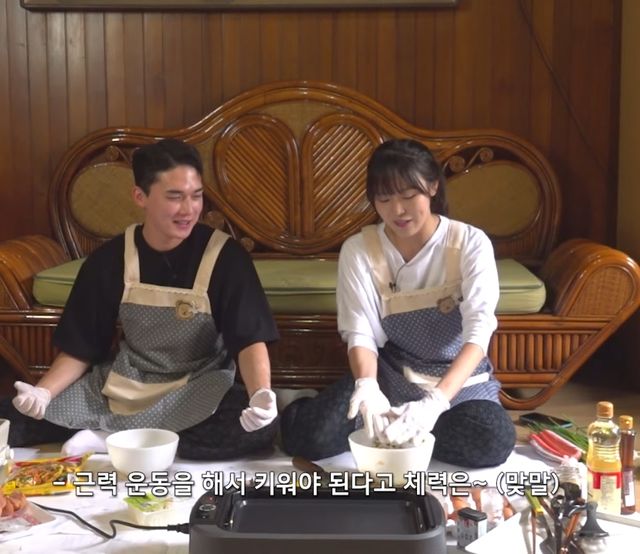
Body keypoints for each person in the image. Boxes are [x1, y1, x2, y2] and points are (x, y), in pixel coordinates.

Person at [4, 138, 279, 459]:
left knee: (259, 430)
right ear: (141, 196)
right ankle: (139, 437)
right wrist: (42, 393)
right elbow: (81, 346)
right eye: (175, 197)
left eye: (196, 196)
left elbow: (249, 339)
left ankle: (109, 438)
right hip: (126, 385)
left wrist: (260, 394)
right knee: (13, 419)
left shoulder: (225, 256)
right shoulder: (110, 259)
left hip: (197, 387)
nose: (189, 209)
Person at [281, 138, 515, 468]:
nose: (398, 211)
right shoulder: (359, 250)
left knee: (493, 441)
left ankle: (409, 430)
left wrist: (434, 404)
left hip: (458, 386)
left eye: (408, 196)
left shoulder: (470, 243)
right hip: (391, 379)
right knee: (308, 440)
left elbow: (479, 332)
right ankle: (315, 406)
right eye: (384, 199)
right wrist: (367, 387)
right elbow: (360, 332)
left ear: (433, 186)